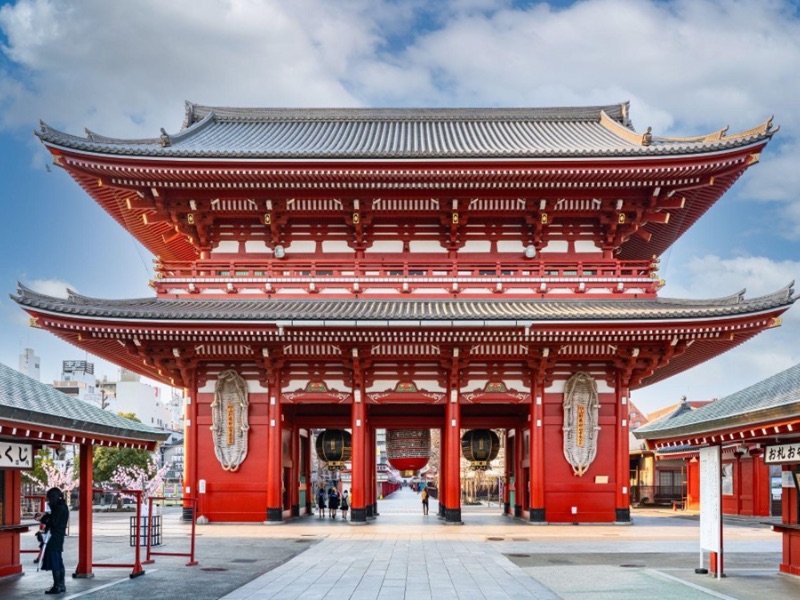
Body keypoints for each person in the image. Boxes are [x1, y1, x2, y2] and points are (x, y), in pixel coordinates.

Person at [41, 487, 69, 594]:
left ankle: (57, 586)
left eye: (50, 498)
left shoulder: (59, 508)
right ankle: (61, 585)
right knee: (58, 561)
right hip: (59, 536)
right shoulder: (63, 506)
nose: (49, 501)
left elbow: (53, 522)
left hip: (54, 537)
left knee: (55, 562)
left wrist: (44, 518)